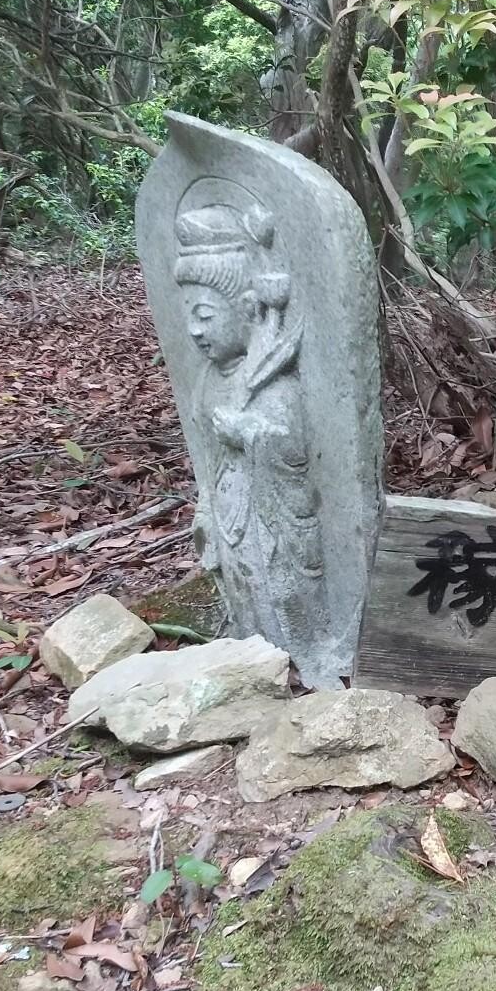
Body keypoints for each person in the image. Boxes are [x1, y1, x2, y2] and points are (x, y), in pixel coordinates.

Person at [173, 198, 329, 656]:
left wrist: (248, 433)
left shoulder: (272, 380)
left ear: (246, 307)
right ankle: (251, 649)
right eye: (189, 317)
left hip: (271, 519)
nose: (195, 331)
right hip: (228, 509)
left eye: (205, 315)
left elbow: (294, 448)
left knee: (278, 587)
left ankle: (301, 652)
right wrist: (206, 505)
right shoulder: (208, 380)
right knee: (243, 586)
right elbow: (206, 456)